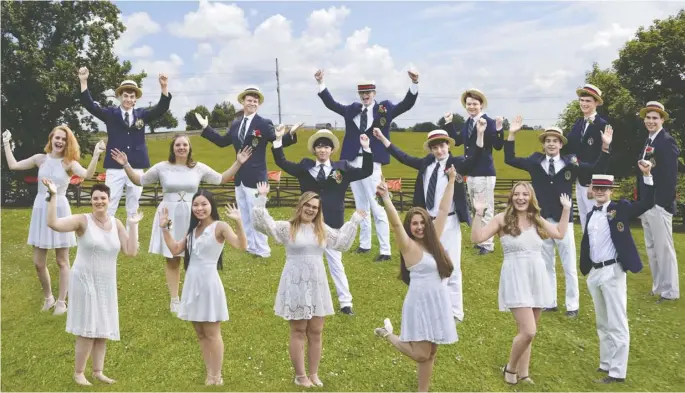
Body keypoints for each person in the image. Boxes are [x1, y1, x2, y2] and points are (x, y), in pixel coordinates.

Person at [109, 135, 252, 313]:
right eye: (178, 144)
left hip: (193, 213)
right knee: (172, 257)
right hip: (169, 215)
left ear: (189, 148)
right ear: (173, 148)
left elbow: (220, 178)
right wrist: (125, 164)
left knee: (196, 254)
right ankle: (175, 299)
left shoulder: (198, 168)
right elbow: (140, 180)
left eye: (185, 144)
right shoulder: (162, 167)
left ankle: (196, 294)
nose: (181, 147)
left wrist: (238, 163)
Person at [252, 182, 365, 388]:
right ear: (300, 206)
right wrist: (261, 197)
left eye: (315, 207)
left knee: (316, 330)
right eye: (308, 205)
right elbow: (262, 223)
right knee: (298, 330)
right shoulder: (287, 228)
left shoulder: (321, 229)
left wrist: (354, 220)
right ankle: (300, 375)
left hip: (316, 282)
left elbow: (341, 242)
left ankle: (313, 373)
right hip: (295, 281)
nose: (311, 209)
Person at [374, 122, 484, 323]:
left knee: (452, 264)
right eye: (435, 147)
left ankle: (456, 311)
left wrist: (480, 134)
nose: (439, 150)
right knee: (431, 264)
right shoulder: (426, 164)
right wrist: (382, 139)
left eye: (442, 146)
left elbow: (476, 156)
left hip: (449, 220)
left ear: (448, 146)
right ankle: (437, 306)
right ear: (431, 149)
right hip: (426, 222)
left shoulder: (456, 164)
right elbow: (403, 157)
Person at [504, 115, 612, 318]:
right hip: (542, 220)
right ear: (544, 144)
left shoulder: (571, 162)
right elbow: (510, 159)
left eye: (555, 141)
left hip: (564, 221)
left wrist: (605, 148)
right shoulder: (534, 161)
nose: (551, 144)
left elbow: (596, 168)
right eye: (548, 141)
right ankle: (550, 301)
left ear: (561, 144)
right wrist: (511, 134)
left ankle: (572, 305)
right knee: (546, 263)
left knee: (569, 264)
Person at [470, 182, 572, 385]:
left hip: (537, 277)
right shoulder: (502, 219)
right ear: (511, 197)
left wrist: (566, 210)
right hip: (515, 278)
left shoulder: (536, 219)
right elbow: (477, 237)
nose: (521, 198)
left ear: (531, 197)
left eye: (525, 194)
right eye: (516, 194)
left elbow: (560, 233)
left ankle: (524, 374)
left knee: (528, 332)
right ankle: (510, 369)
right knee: (528, 330)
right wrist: (479, 213)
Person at [314, 68, 419, 262]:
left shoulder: (384, 109)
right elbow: (331, 103)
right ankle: (364, 244)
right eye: (362, 93)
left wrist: (414, 84)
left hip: (373, 162)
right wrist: (321, 82)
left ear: (374, 94)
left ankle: (385, 250)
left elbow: (406, 104)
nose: (365, 96)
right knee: (360, 204)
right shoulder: (351, 110)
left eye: (368, 93)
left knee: (377, 206)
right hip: (352, 161)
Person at [44, 180, 141, 386]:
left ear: (109, 200)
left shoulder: (117, 224)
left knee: (103, 327)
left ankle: (98, 371)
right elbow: (53, 223)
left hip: (106, 282)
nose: (99, 201)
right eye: (95, 198)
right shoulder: (82, 220)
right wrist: (52, 196)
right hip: (84, 280)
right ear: (91, 201)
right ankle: (79, 373)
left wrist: (133, 225)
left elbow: (131, 251)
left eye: (102, 198)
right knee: (87, 327)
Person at [372, 166, 459, 393]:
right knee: (421, 353)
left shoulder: (434, 240)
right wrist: (386, 197)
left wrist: (451, 181)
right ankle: (389, 335)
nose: (419, 227)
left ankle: (423, 390)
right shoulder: (408, 247)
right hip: (420, 303)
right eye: (415, 223)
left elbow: (442, 209)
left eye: (422, 222)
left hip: (438, 302)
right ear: (410, 227)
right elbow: (395, 224)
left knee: (431, 352)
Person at [2, 127, 105, 315]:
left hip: (60, 209)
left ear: (67, 142)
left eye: (64, 139)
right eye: (57, 137)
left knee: (61, 261)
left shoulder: (69, 163)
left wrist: (96, 154)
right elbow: (13, 165)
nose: (60, 141)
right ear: (51, 139)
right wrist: (7, 143)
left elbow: (87, 175)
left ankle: (61, 301)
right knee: (38, 262)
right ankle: (48, 297)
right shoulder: (40, 159)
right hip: (41, 208)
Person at [271, 128, 372, 315]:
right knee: (306, 262)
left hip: (333, 223)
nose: (323, 150)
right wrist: (278, 140)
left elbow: (366, 170)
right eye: (319, 147)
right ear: (314, 150)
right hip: (307, 224)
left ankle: (345, 302)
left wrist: (366, 149)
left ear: (332, 150)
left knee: (336, 263)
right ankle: (305, 299)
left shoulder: (342, 168)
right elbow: (281, 162)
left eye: (326, 147)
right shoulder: (305, 168)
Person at [195, 87, 298, 259]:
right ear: (243, 102)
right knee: (244, 214)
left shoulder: (264, 123)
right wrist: (207, 128)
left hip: (257, 178)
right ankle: (251, 246)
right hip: (239, 177)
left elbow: (276, 141)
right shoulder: (235, 124)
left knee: (258, 215)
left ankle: (263, 250)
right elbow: (222, 142)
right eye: (249, 100)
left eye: (256, 101)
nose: (252, 103)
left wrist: (289, 135)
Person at [159, 190, 247, 386]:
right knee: (200, 332)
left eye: (203, 204)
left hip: (208, 283)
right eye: (196, 205)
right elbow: (174, 249)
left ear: (211, 205)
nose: (199, 208)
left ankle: (217, 376)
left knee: (212, 332)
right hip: (192, 282)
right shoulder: (193, 229)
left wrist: (239, 222)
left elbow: (241, 245)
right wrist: (164, 228)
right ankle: (209, 373)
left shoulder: (220, 227)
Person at [580, 163, 654, 384]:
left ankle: (617, 371)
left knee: (617, 321)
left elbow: (647, 203)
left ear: (611, 190)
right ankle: (606, 363)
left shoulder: (620, 208)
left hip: (612, 270)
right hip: (595, 270)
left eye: (605, 188)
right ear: (592, 190)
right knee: (602, 321)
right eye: (597, 188)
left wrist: (647, 176)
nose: (600, 192)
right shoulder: (591, 213)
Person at [78, 66, 171, 220]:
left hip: (136, 166)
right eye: (125, 95)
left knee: (133, 207)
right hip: (115, 167)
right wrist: (83, 81)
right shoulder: (110, 114)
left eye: (132, 96)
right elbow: (91, 106)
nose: (128, 99)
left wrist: (164, 86)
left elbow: (161, 109)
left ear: (136, 99)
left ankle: (132, 241)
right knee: (109, 204)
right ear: (119, 97)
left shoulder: (142, 115)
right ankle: (107, 239)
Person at [443, 89, 504, 255]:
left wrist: (499, 128)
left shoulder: (488, 122)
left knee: (486, 209)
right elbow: (456, 141)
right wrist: (449, 123)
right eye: (469, 104)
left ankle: (488, 244)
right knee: (477, 209)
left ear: (481, 105)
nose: (471, 107)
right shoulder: (468, 123)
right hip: (471, 172)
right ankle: (481, 239)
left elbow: (498, 146)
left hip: (484, 172)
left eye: (474, 104)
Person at [636, 101, 680, 303]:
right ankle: (658, 287)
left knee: (664, 249)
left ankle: (670, 292)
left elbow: (670, 177)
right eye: (648, 117)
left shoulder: (667, 141)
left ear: (662, 120)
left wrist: (661, 203)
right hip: (646, 203)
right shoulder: (648, 142)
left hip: (659, 204)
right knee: (652, 248)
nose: (651, 121)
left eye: (655, 118)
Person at [562, 84, 609, 230]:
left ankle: (596, 253)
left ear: (596, 103)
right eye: (582, 100)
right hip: (578, 180)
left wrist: (594, 182)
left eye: (588, 101)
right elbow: (569, 149)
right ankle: (586, 252)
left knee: (595, 222)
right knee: (584, 220)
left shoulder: (603, 125)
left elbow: (604, 156)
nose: (584, 104)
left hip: (593, 184)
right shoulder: (578, 124)